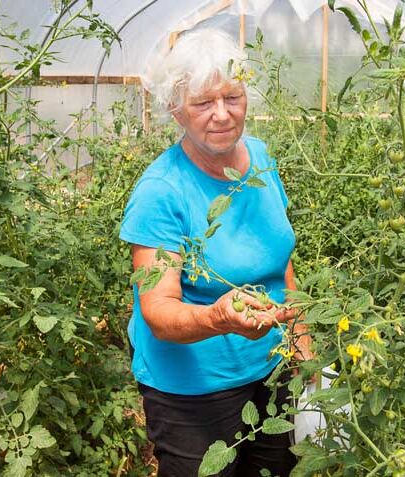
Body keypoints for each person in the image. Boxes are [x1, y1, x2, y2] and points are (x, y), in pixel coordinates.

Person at [119, 28, 307, 476]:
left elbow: (282, 260)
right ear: (175, 109)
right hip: (193, 391)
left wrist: (302, 345)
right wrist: (217, 319)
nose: (222, 114)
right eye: (204, 103)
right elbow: (159, 310)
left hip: (273, 369)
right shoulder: (162, 192)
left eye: (232, 97)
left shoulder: (260, 158)